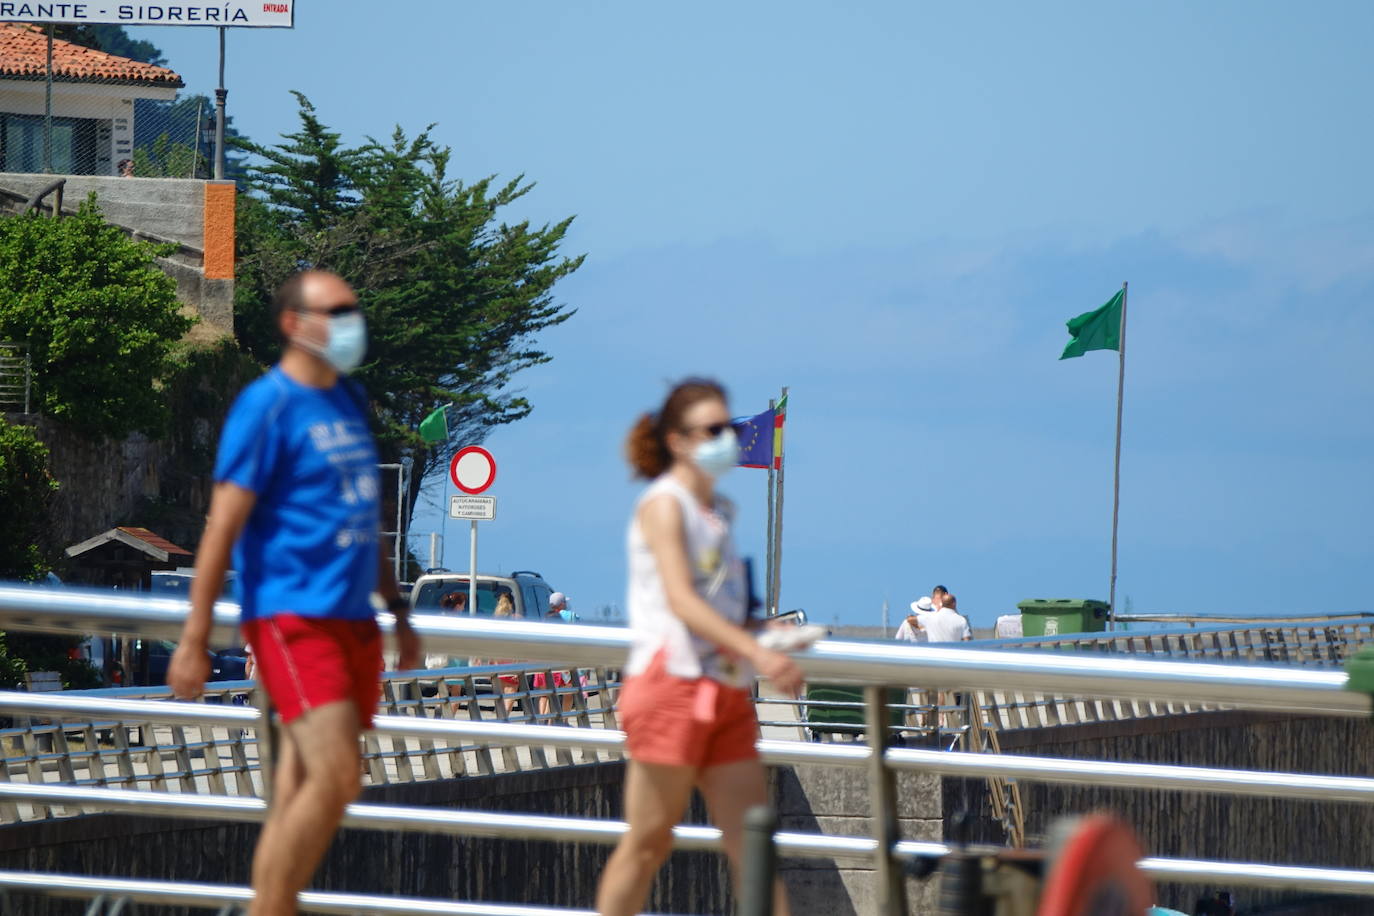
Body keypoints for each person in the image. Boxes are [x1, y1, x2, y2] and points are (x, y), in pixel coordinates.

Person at [167, 270, 420, 916]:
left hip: (355, 620)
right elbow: (223, 526)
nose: (348, 321)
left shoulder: (349, 399)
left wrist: (397, 610)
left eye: (352, 309)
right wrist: (195, 640)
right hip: (293, 616)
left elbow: (365, 518)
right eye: (333, 311)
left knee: (299, 785)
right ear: (292, 324)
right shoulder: (267, 405)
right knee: (339, 778)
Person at [595, 378, 802, 916]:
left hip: (724, 687)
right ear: (678, 440)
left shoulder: (718, 511)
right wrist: (759, 653)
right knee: (647, 843)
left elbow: (719, 603)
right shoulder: (664, 506)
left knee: (753, 848)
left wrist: (760, 630)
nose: (727, 439)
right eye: (713, 430)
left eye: (727, 427)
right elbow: (681, 601)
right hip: (671, 687)